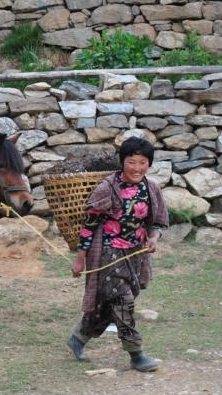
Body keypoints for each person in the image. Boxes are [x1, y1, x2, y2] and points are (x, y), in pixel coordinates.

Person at [67, 137, 169, 371]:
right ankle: (136, 354)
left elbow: (158, 222)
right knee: (123, 301)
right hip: (107, 253)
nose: (137, 168)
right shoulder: (107, 188)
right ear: (122, 162)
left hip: (136, 254)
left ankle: (78, 338)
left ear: (149, 164)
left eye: (142, 162)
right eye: (131, 162)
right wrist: (80, 259)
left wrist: (153, 238)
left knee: (111, 302)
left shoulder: (151, 188)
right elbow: (89, 226)